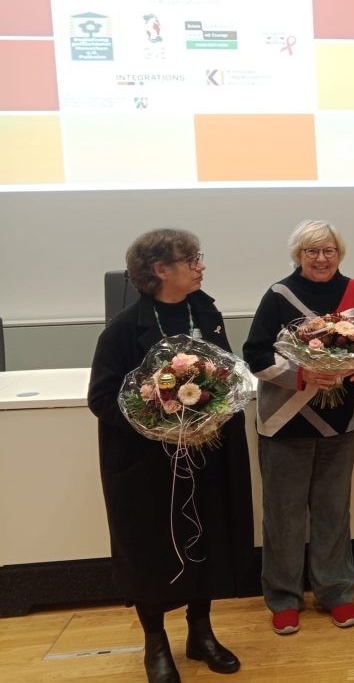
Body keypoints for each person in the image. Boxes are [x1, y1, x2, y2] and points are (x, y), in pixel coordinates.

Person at [88, 229, 252, 683]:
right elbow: (101, 399)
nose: (201, 266)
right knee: (151, 550)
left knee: (207, 540)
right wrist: (159, 421)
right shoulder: (123, 329)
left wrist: (214, 407)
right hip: (148, 466)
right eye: (192, 260)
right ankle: (155, 643)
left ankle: (201, 634)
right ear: (161, 270)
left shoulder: (206, 311)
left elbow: (225, 371)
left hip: (207, 456)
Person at [242, 221, 354, 635]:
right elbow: (255, 355)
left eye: (328, 250)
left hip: (339, 421)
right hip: (286, 423)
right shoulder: (278, 295)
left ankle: (336, 592)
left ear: (339, 253)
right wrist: (302, 376)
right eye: (312, 251)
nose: (321, 258)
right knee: (284, 516)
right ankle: (283, 598)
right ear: (298, 255)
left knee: (334, 511)